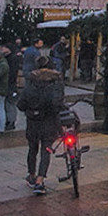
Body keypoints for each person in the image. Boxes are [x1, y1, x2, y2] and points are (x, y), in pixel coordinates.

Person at [17, 55, 65, 194]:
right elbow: (58, 103)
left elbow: (21, 104)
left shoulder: (30, 84)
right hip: (50, 122)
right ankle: (40, 180)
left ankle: (31, 175)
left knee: (32, 149)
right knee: (46, 151)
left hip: (33, 122)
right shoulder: (56, 83)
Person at [3, 39, 22, 131]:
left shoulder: (11, 59)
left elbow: (12, 73)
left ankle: (11, 121)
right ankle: (9, 120)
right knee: (8, 103)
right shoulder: (10, 58)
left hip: (10, 85)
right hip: (10, 84)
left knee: (9, 104)